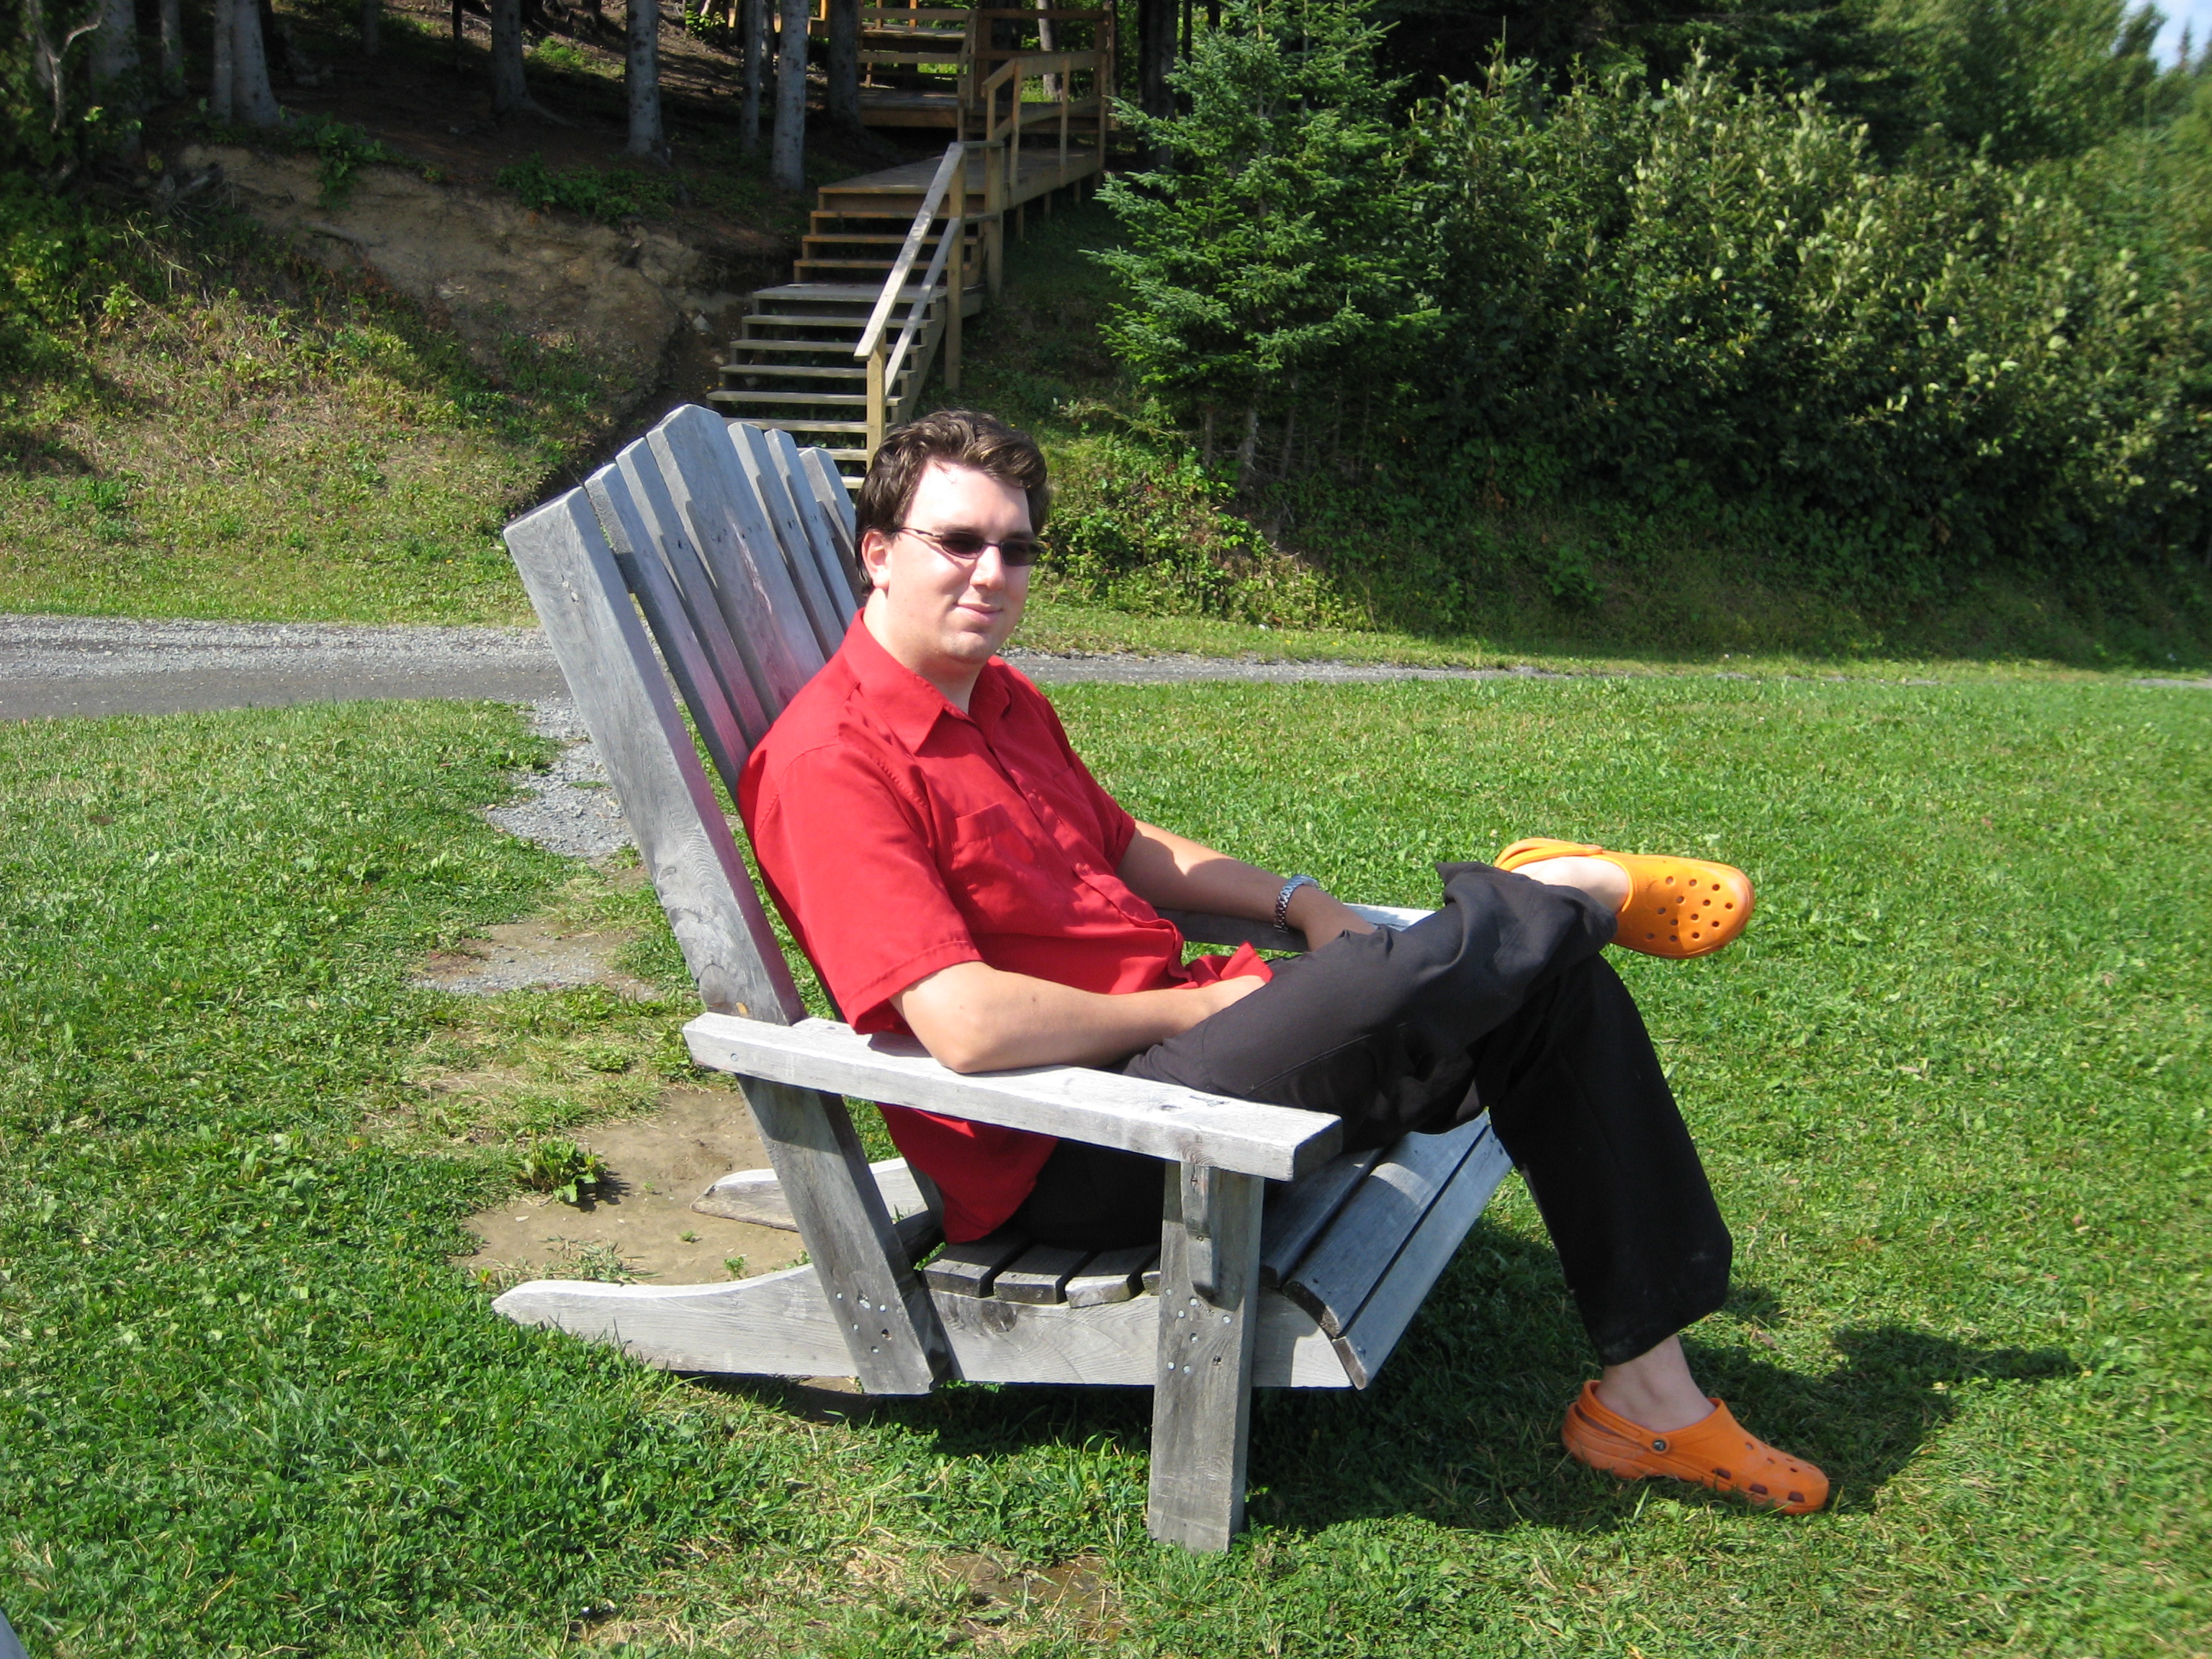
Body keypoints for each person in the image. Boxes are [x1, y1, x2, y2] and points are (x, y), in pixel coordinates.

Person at [739, 410, 1828, 1514]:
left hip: (1187, 1052)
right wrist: (1188, 1010)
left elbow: (1123, 844)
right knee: (1372, 981)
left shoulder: (1000, 698)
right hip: (1076, 1144)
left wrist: (1299, 903)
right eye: (959, 541)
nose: (992, 573)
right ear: (879, 552)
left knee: (1555, 990)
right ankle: (1556, 894)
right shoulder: (831, 762)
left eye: (1015, 548)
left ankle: (1650, 1398)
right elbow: (965, 1026)